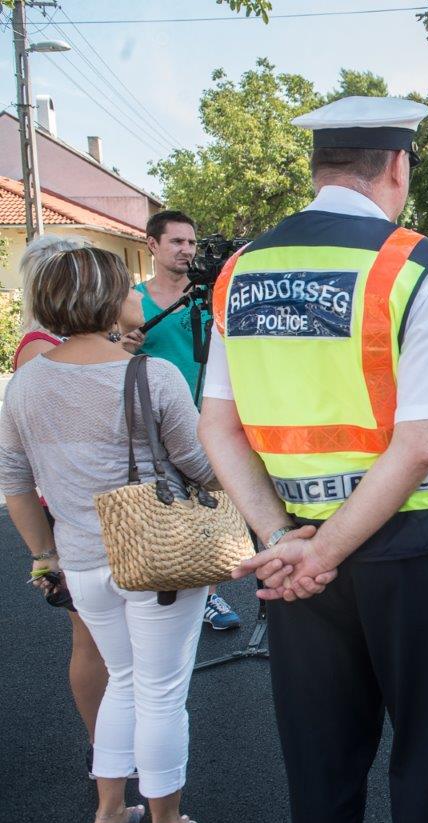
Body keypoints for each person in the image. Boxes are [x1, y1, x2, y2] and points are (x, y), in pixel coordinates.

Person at [198, 95, 428, 823]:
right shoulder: (418, 266)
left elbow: (218, 427)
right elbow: (419, 444)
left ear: (318, 168)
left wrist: (286, 543)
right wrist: (324, 552)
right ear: (396, 167)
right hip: (413, 548)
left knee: (321, 764)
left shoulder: (241, 269)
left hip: (291, 559)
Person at [0, 245, 211, 823]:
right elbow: (198, 465)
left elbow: (15, 484)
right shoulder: (150, 375)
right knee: (162, 691)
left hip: (83, 562)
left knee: (122, 681)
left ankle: (108, 817)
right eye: (126, 288)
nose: (134, 297)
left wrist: (45, 556)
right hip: (157, 557)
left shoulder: (27, 383)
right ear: (103, 298)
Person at [11, 236, 151, 780]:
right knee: (93, 640)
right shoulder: (41, 351)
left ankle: (114, 756)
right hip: (82, 512)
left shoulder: (57, 345)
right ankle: (107, 751)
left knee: (111, 643)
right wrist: (44, 555)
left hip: (85, 511)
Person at [138, 209, 241, 631]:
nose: (187, 250)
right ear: (153, 245)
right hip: (152, 421)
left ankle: (208, 596)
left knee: (212, 507)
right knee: (165, 506)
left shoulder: (212, 296)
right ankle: (162, 588)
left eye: (192, 243)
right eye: (177, 242)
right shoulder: (132, 301)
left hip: (207, 417)